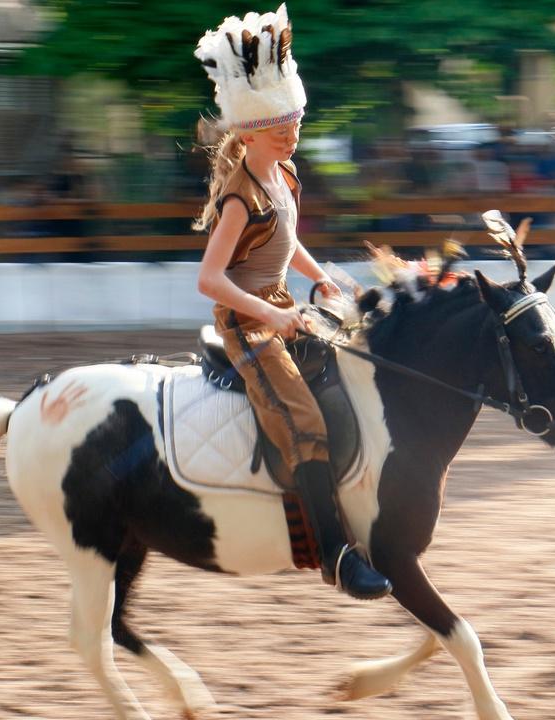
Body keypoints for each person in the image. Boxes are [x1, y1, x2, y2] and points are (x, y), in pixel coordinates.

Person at [192, 3, 391, 600]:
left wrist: (322, 277)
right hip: (247, 322)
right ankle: (335, 555)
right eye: (281, 126)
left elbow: (287, 240)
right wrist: (272, 315)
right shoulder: (238, 196)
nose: (292, 132)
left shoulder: (284, 174)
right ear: (249, 131)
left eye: (296, 121)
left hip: (280, 303)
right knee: (304, 424)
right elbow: (210, 279)